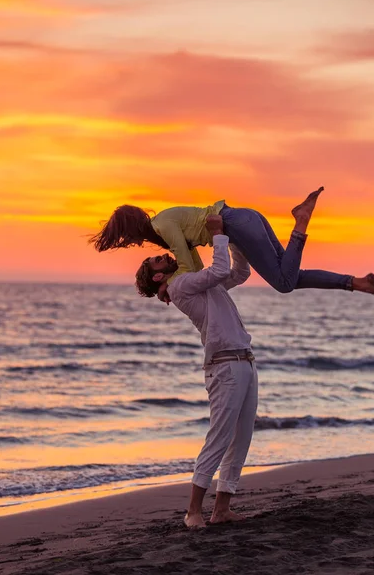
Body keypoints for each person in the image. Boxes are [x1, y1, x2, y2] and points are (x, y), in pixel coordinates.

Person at [135, 215, 258, 528]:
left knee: (241, 438)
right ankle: (193, 511)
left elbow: (238, 273)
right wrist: (217, 233)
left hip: (244, 361)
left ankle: (221, 509)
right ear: (158, 276)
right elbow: (217, 270)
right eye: (157, 259)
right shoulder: (180, 285)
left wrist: (235, 243)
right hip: (225, 366)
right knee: (219, 437)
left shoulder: (199, 284)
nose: (165, 253)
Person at [90, 190, 374, 306]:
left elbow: (187, 266)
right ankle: (356, 283)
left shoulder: (162, 227)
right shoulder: (164, 229)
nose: (130, 242)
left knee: (284, 283)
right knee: (289, 276)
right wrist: (179, 284)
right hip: (244, 220)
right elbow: (195, 269)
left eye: (125, 237)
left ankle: (301, 221)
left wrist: (166, 286)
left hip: (236, 225)